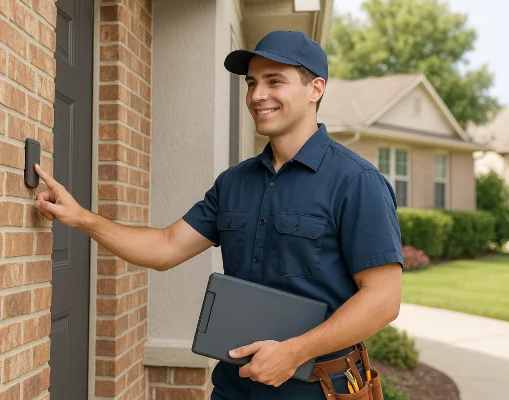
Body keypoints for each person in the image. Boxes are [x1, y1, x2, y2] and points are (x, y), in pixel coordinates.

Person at [34, 30, 403, 400]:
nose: (258, 96)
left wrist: (294, 353)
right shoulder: (234, 182)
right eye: (252, 83)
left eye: (275, 81)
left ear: (315, 89)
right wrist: (81, 217)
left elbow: (383, 300)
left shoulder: (357, 182)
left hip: (318, 389)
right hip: (234, 387)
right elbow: (165, 247)